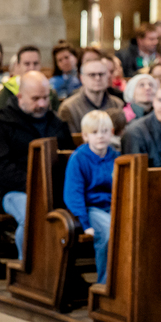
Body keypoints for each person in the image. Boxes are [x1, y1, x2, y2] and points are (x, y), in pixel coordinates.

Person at [0, 71, 74, 257]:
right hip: (16, 192)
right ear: (20, 97)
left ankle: (62, 266)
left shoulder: (57, 124)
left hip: (55, 189)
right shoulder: (3, 126)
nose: (41, 104)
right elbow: (1, 170)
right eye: (35, 99)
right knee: (31, 215)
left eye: (45, 98)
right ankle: (26, 265)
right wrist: (37, 186)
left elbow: (69, 159)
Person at [63, 110, 118, 284]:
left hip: (115, 207)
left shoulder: (116, 157)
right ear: (85, 136)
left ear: (112, 133)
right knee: (108, 232)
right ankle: (104, 284)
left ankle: (124, 284)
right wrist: (85, 223)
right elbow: (73, 194)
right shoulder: (79, 159)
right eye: (94, 132)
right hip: (92, 208)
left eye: (104, 131)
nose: (100, 136)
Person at [58, 58, 124, 134]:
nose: (97, 78)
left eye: (101, 74)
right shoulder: (68, 108)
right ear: (82, 78)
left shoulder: (118, 104)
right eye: (92, 75)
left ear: (107, 76)